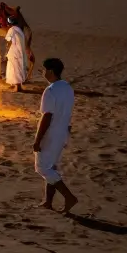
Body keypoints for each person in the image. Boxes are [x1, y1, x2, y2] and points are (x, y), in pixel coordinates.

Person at [33, 57, 79, 214]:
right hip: (62, 132)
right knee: (51, 166)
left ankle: (69, 197)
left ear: (50, 71)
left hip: (51, 133)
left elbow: (47, 116)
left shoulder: (50, 90)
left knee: (42, 168)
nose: (43, 73)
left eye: (44, 70)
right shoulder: (67, 87)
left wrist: (38, 140)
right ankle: (48, 201)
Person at [4, 17, 28, 92]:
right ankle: (17, 85)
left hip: (14, 52)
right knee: (18, 68)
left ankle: (17, 87)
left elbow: (8, 39)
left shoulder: (12, 29)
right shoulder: (19, 30)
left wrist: (7, 50)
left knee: (14, 68)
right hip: (20, 52)